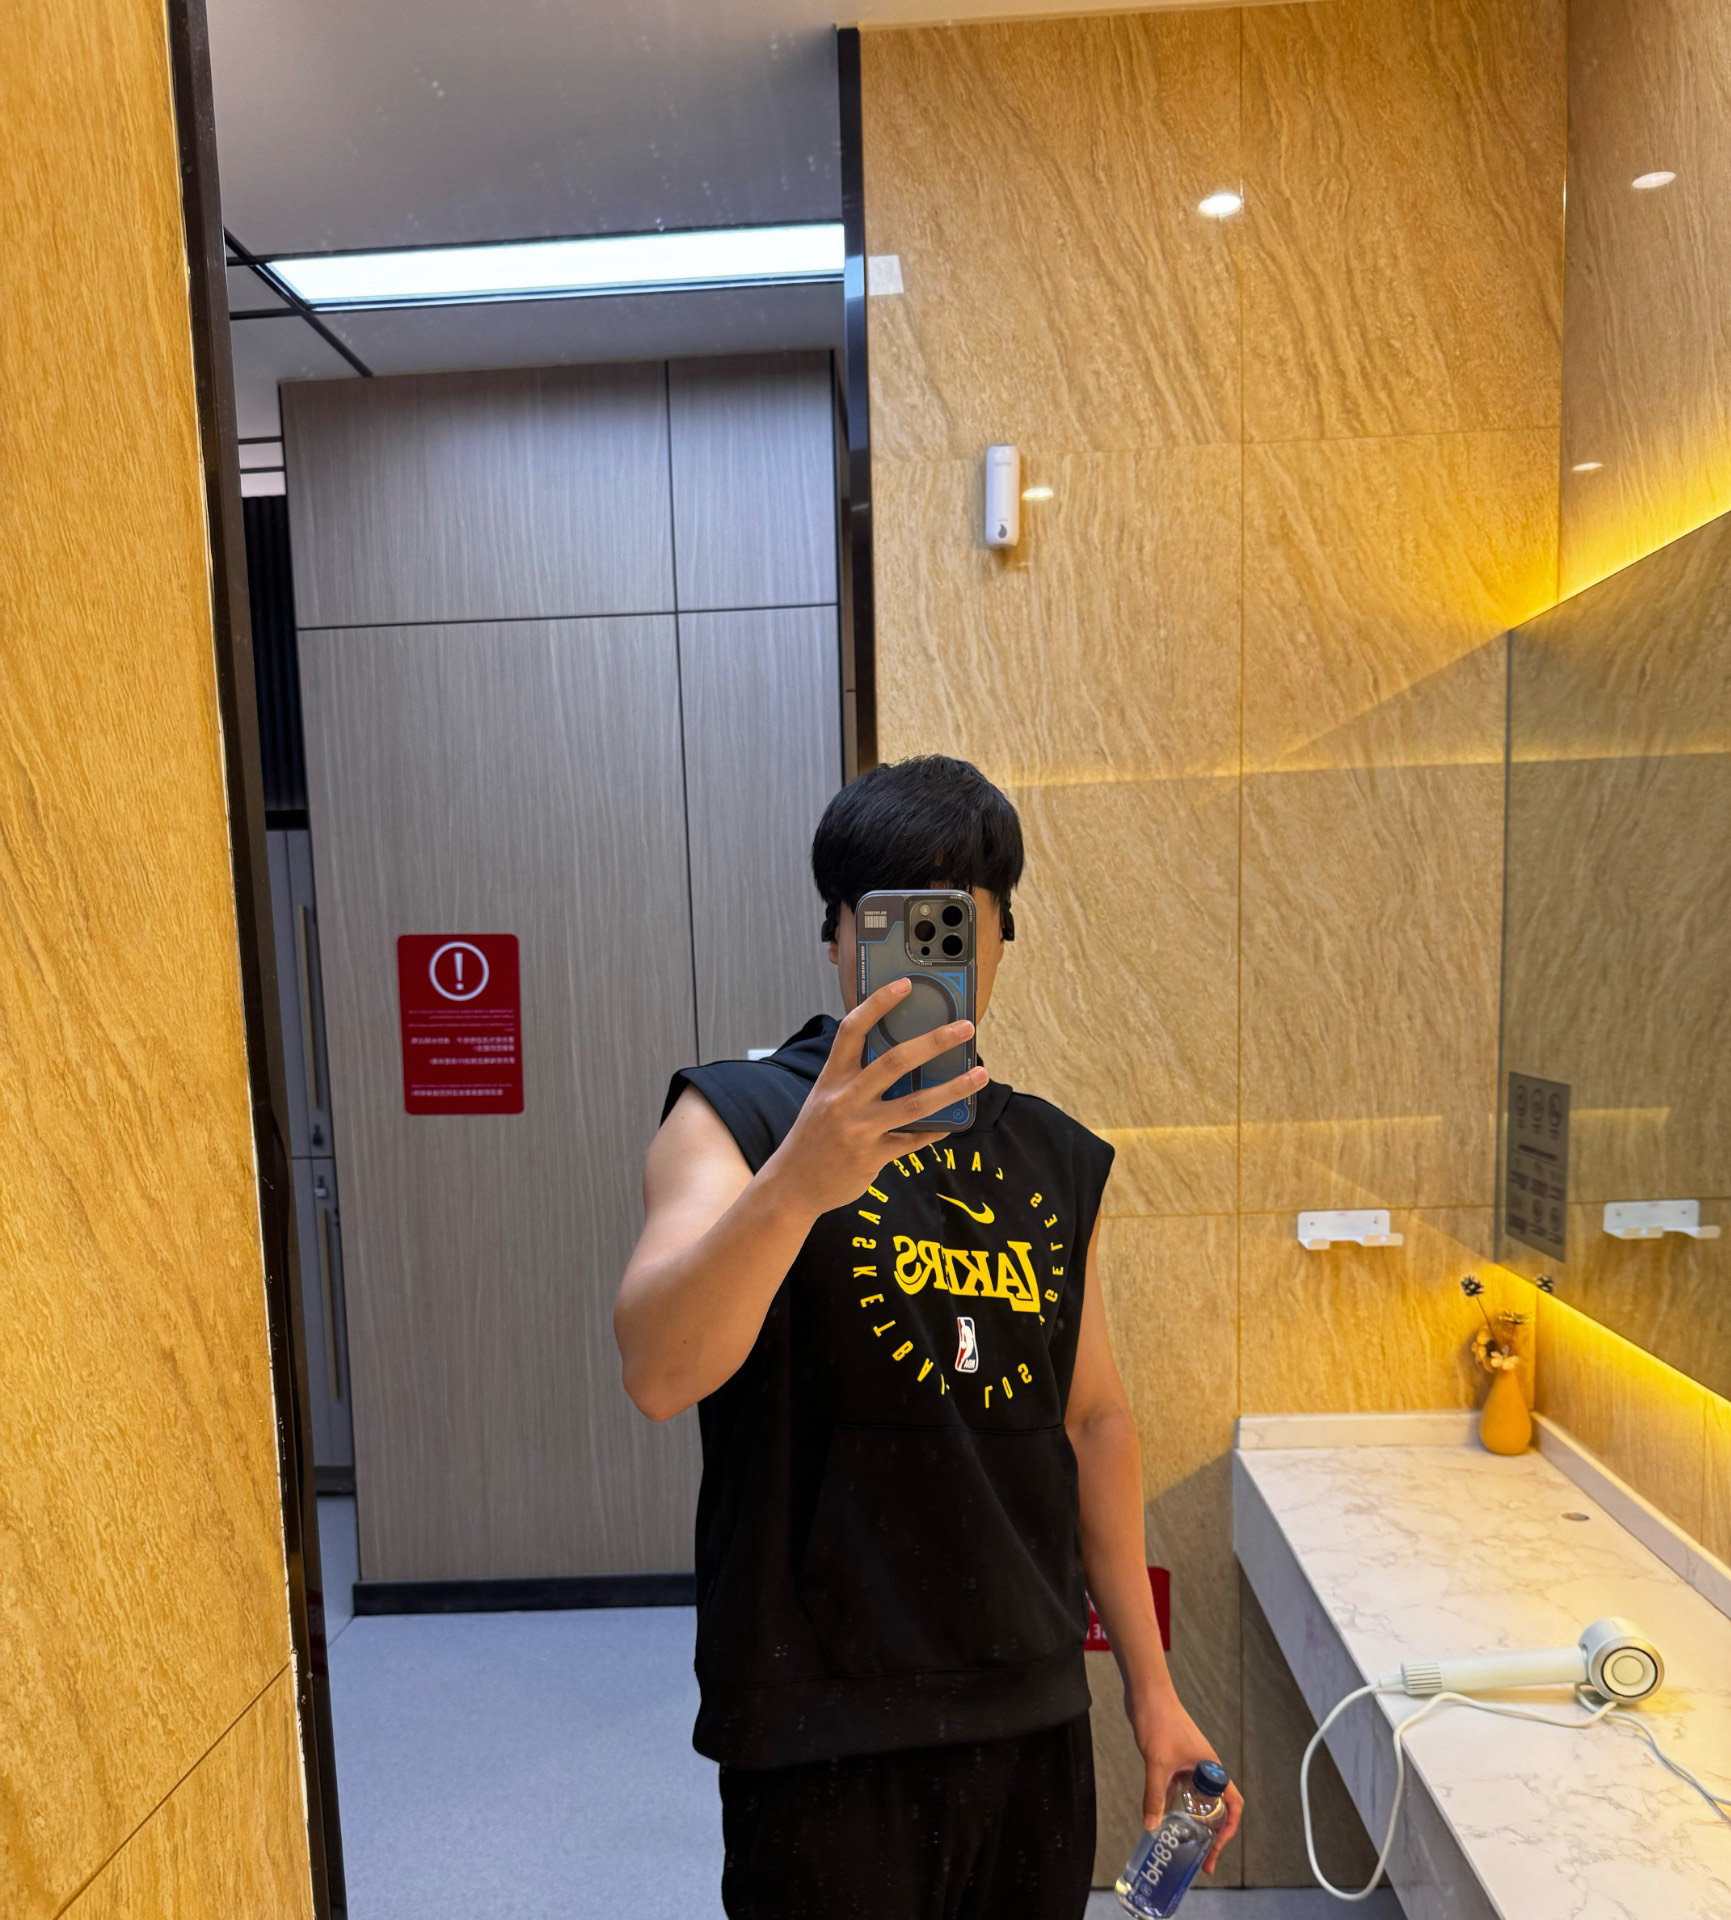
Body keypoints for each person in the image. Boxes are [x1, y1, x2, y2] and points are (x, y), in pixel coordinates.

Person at [614, 755, 1242, 1919]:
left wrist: (1151, 1693)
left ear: (1001, 937)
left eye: (953, 917)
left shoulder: (1051, 1156)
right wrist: (797, 1185)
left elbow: (1094, 1420)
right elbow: (657, 1370)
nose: (921, 954)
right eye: (888, 918)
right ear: (838, 940)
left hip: (1027, 1708)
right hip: (820, 1721)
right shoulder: (735, 1119)